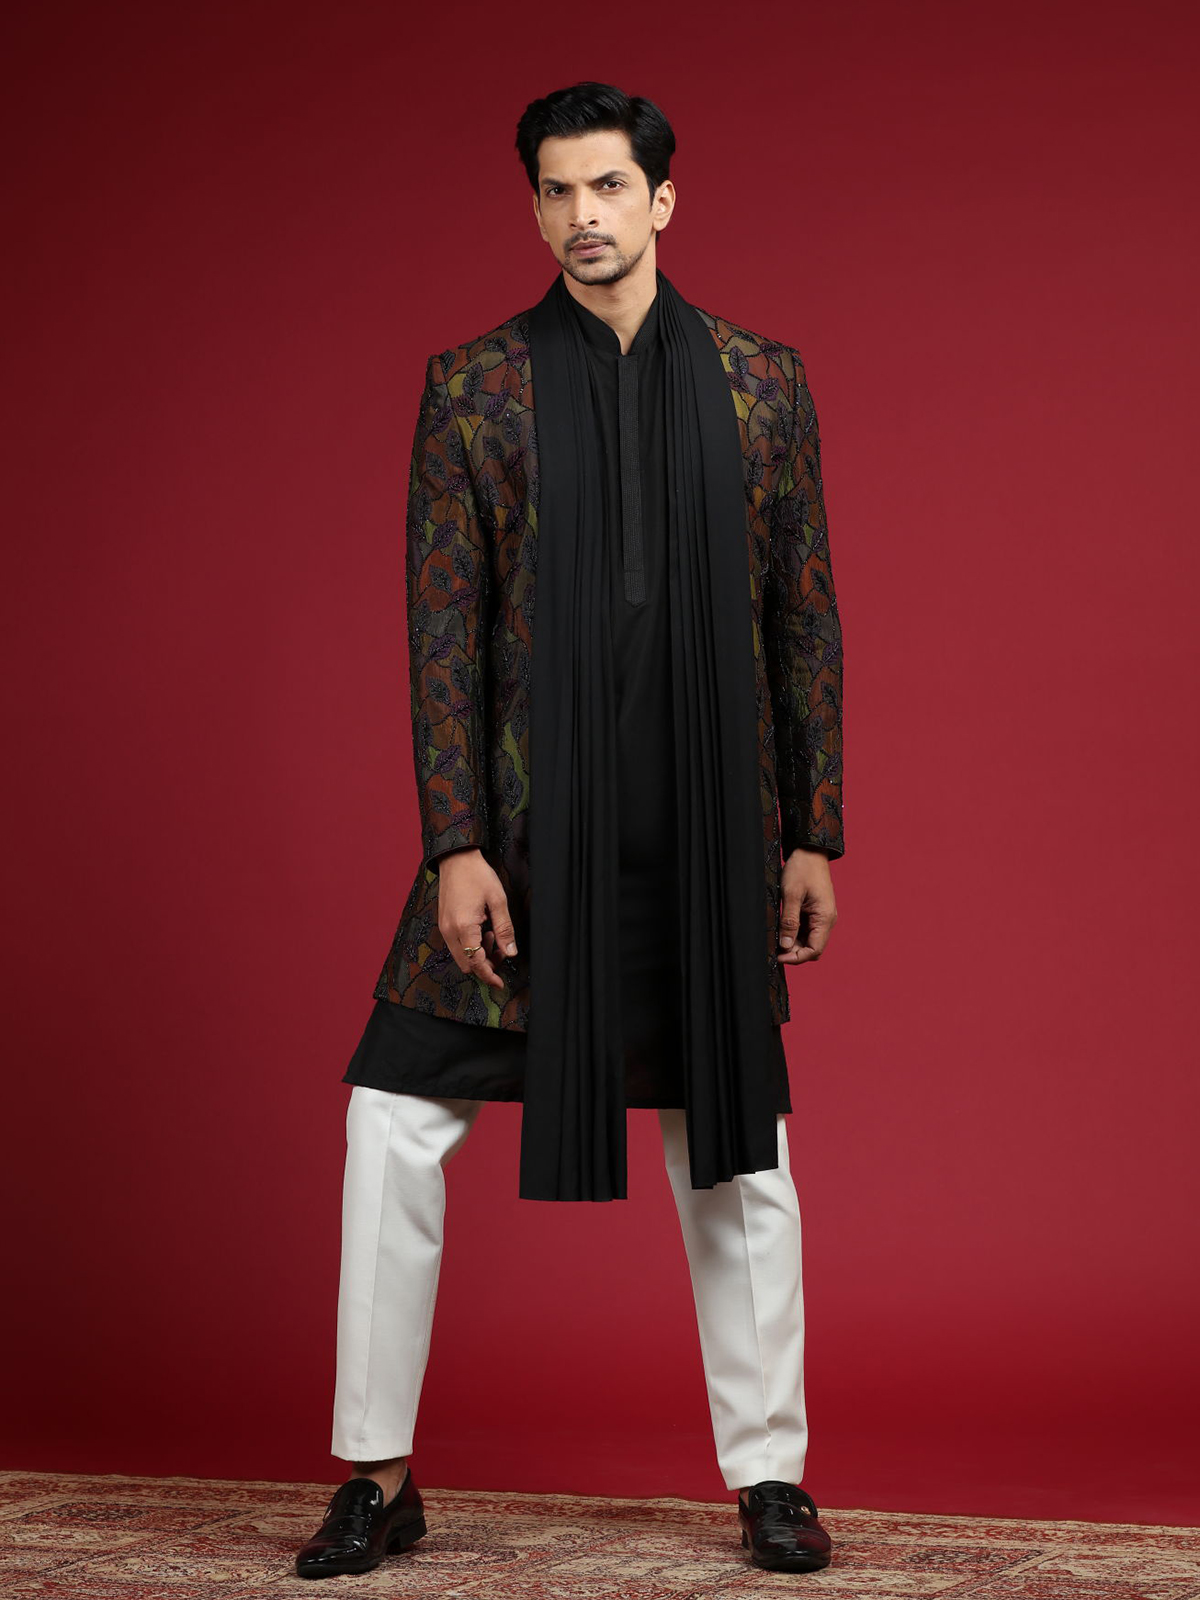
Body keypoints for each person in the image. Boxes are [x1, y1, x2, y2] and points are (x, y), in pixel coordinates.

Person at [294, 80, 844, 1580]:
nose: (583, 215)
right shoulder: (475, 389)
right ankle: (377, 1473)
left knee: (741, 1157)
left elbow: (803, 615)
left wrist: (815, 830)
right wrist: (455, 842)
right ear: (534, 208)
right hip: (530, 843)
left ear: (664, 199)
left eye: (609, 187)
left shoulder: (763, 384)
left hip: (712, 833)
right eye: (557, 190)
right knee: (392, 1119)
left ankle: (772, 1478)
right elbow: (443, 631)